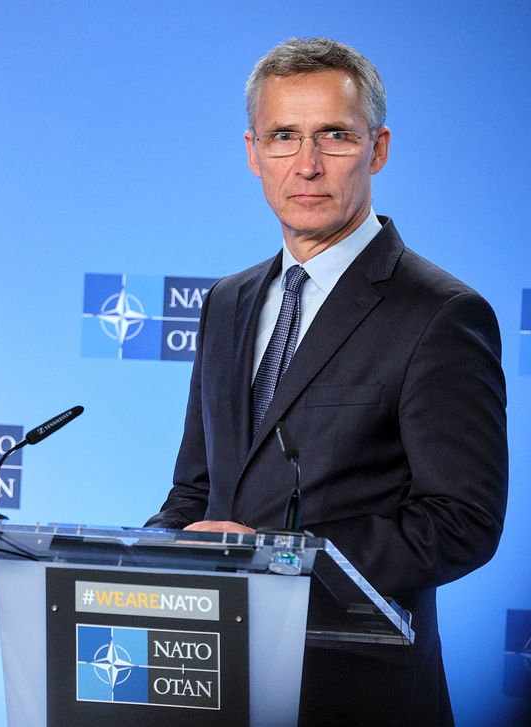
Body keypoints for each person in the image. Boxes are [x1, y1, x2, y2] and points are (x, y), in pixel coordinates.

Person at [145, 38, 507, 725]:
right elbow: (197, 490)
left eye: (334, 135)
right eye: (283, 136)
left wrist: (282, 564)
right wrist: (142, 564)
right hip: (216, 683)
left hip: (357, 693)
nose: (306, 164)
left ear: (378, 149)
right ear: (254, 152)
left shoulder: (440, 314)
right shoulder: (225, 302)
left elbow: (463, 521)